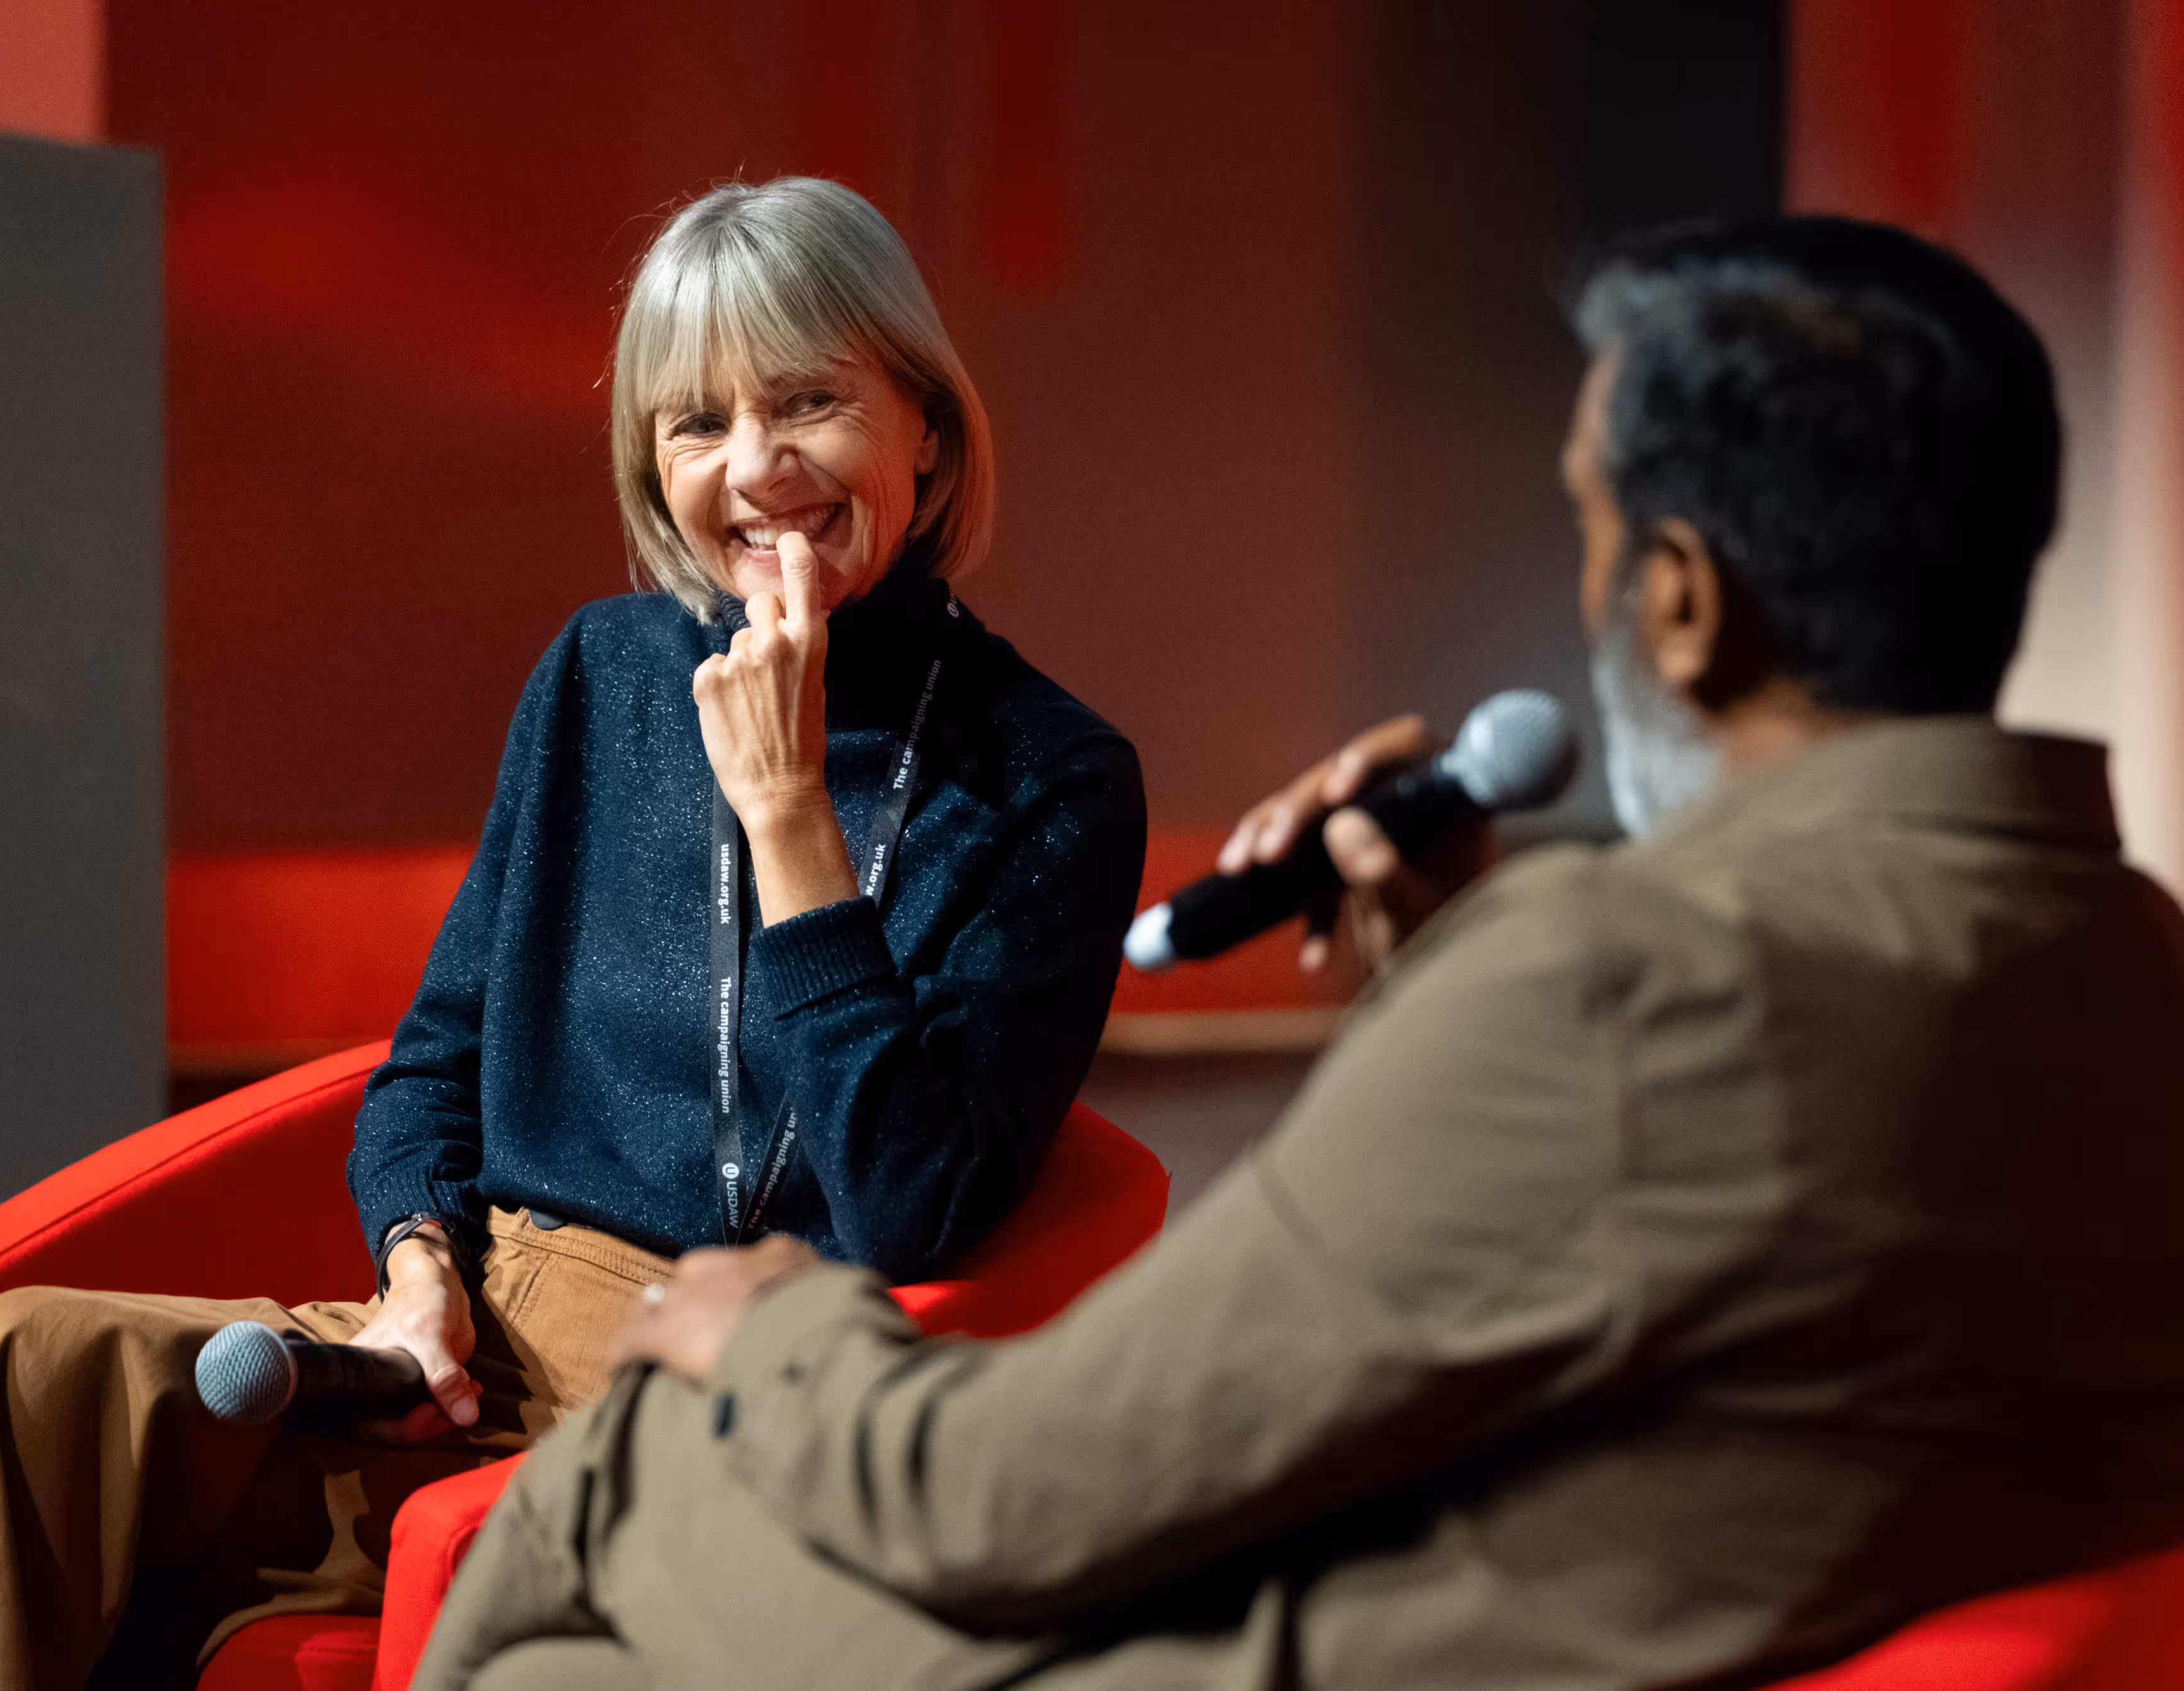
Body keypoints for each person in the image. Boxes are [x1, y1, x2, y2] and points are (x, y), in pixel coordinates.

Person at [414, 216, 2184, 1691]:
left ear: (1681, 599)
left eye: (1584, 525)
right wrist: (1456, 959)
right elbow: (1674, 1243)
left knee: (620, 1484)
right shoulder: (2126, 960)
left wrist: (771, 1327)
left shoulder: (1617, 981)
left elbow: (1005, 1494)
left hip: (1290, 1646)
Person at [0, 177, 1144, 1691]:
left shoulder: (1048, 778)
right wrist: (417, 1268)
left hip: (723, 1402)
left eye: (809, 401)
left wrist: (790, 820)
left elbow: (913, 1207)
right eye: (696, 424)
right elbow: (435, 1062)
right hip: (466, 1346)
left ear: (924, 427)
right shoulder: (601, 675)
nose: (754, 471)